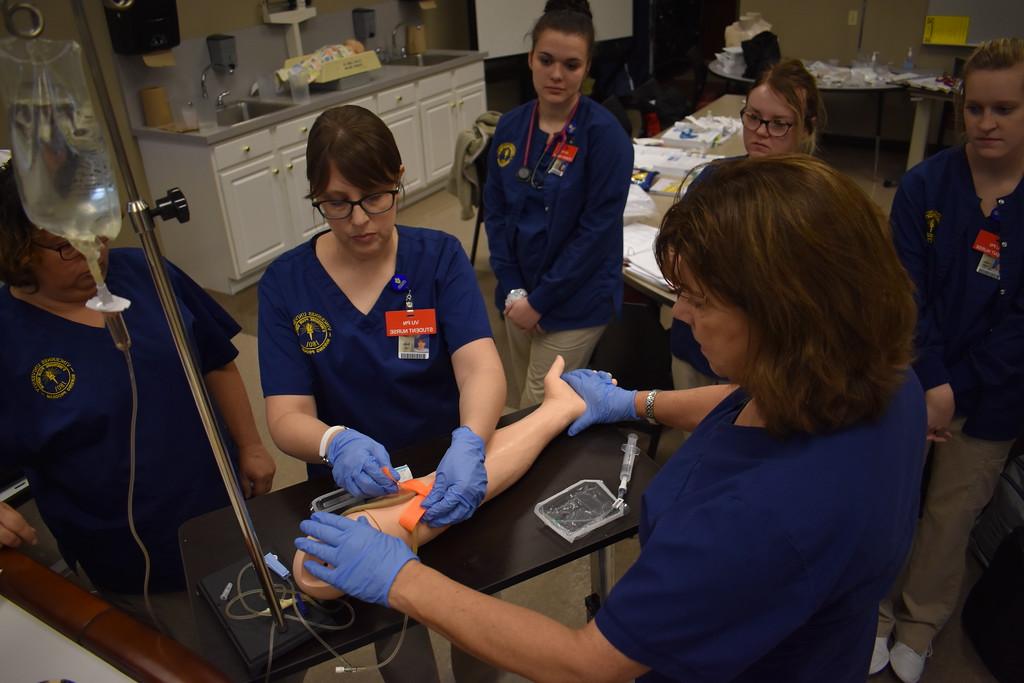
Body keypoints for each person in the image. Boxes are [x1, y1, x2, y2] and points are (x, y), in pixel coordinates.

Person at [292, 155, 927, 682]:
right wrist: (637, 403)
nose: (679, 316)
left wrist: (398, 577)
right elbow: (750, 402)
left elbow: (586, 663)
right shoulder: (889, 385)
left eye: (699, 301)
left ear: (786, 317)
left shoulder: (759, 521)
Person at [257, 104, 505, 681]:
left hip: (449, 478)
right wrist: (335, 442)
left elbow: (480, 368)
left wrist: (470, 443)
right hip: (358, 496)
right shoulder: (287, 285)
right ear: (316, 196)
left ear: (398, 177)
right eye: (337, 203)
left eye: (376, 196)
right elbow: (286, 414)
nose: (360, 220)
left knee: (477, 620)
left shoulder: (436, 257)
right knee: (396, 634)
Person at [0, 158, 276, 643]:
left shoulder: (145, 271)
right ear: (17, 247)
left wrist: (250, 445)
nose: (93, 254)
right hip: (131, 556)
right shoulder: (8, 337)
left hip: (221, 512)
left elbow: (215, 360)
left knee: (271, 641)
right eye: (67, 245)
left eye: (98, 232)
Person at [873, 37, 1024, 683]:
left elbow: (1020, 325)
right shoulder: (924, 185)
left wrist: (956, 388)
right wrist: (931, 378)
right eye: (975, 108)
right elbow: (906, 291)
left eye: (1006, 109)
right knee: (892, 495)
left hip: (993, 395)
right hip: (913, 376)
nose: (986, 123)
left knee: (952, 511)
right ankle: (874, 611)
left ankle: (920, 621)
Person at [484, 0, 633, 408]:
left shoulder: (606, 137)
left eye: (571, 65)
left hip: (575, 300)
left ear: (586, 69)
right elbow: (496, 213)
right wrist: (515, 290)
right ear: (530, 58)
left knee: (540, 404)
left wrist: (540, 301)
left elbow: (595, 234)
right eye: (546, 59)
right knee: (525, 392)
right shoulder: (512, 126)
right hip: (518, 294)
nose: (556, 74)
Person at [670, 59, 824, 394]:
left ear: (807, 127)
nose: (761, 132)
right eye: (753, 117)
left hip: (761, 361)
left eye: (779, 124)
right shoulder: (714, 178)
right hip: (694, 347)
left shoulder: (816, 200)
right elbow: (677, 250)